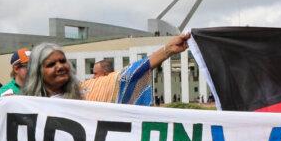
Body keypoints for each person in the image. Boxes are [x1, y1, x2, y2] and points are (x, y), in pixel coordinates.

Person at [23, 34, 191, 104]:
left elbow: (129, 75)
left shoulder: (88, 92)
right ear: (38, 73)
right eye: (51, 65)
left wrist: (168, 50)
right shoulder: (24, 106)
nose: (60, 66)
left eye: (62, 61)